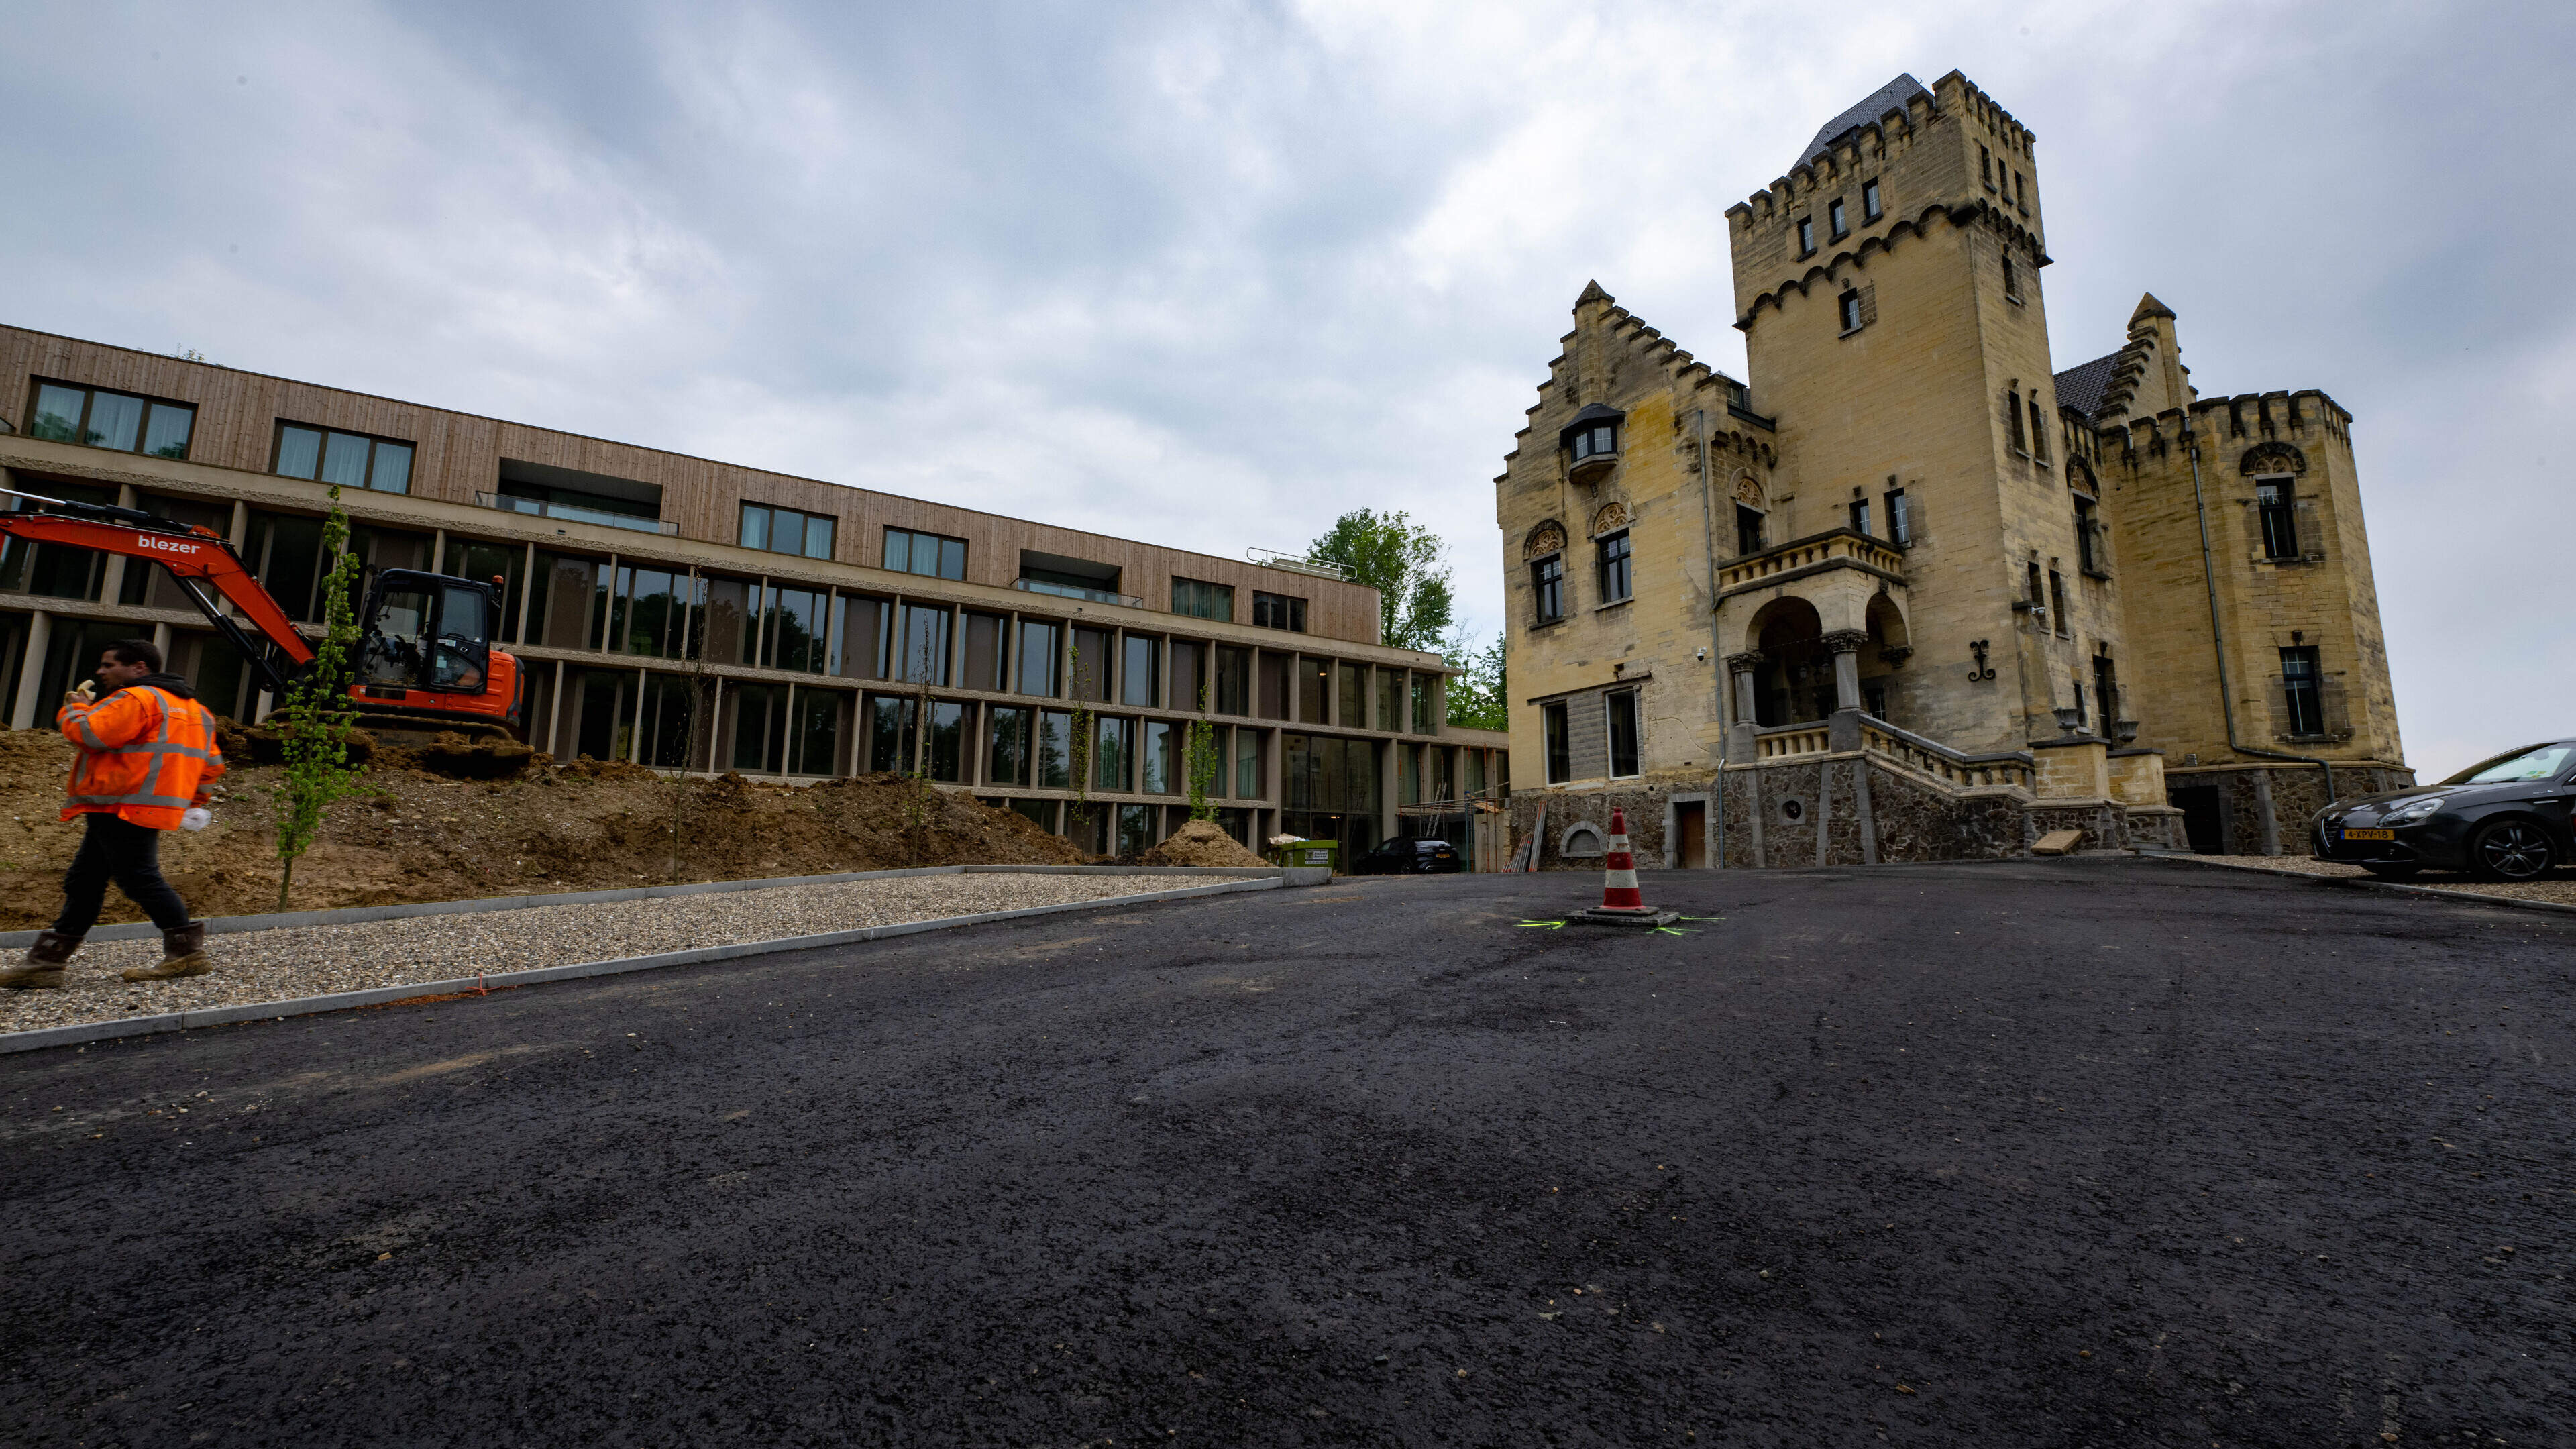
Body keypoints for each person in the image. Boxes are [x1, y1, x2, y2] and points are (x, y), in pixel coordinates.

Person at [0, 639, 225, 989]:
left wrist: (75, 709)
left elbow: (91, 734)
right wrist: (186, 803)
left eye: (109, 665)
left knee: (138, 879)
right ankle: (45, 963)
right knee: (85, 880)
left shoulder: (135, 698)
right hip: (136, 806)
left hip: (119, 805)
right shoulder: (198, 711)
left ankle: (187, 956)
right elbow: (211, 767)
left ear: (139, 668)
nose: (101, 672)